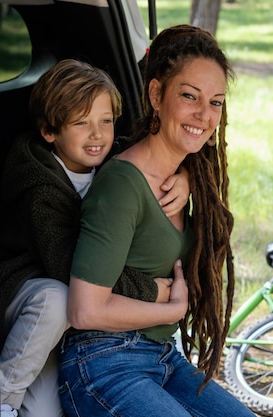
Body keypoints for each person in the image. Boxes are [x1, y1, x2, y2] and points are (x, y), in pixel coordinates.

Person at [58, 25, 256, 417]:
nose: (204, 114)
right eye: (189, 96)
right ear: (155, 95)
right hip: (101, 362)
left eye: (215, 102)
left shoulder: (184, 177)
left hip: (163, 358)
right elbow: (85, 310)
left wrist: (188, 181)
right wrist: (171, 310)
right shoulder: (121, 185)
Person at [0, 59, 190, 417]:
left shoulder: (116, 158)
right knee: (58, 298)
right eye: (81, 123)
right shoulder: (37, 186)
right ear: (50, 131)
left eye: (106, 121)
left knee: (44, 413)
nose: (97, 134)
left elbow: (156, 154)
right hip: (24, 292)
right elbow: (66, 264)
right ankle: (0, 398)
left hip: (74, 319)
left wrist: (185, 176)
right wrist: (149, 290)